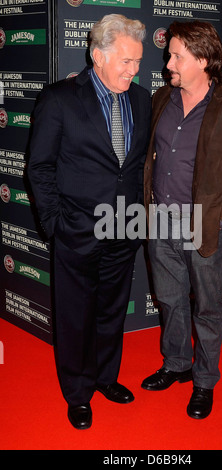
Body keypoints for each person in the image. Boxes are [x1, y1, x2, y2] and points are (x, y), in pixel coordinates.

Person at [28, 14, 151, 430]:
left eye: (138, 62)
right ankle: (78, 392)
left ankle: (105, 377)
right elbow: (39, 167)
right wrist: (54, 224)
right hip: (76, 229)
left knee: (112, 309)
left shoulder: (141, 99)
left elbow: (132, 168)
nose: (134, 71)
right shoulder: (59, 98)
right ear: (98, 55)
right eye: (126, 61)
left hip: (124, 227)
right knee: (76, 313)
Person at [142, 20, 222, 419]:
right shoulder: (161, 98)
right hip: (159, 221)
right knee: (169, 300)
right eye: (170, 54)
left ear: (203, 59)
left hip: (204, 228)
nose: (168, 63)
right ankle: (176, 364)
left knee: (208, 308)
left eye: (177, 55)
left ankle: (204, 381)